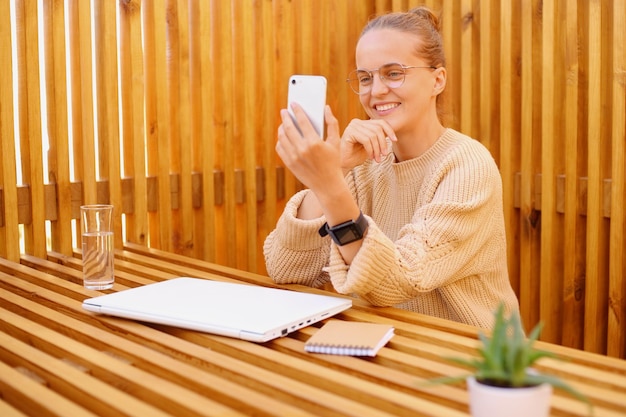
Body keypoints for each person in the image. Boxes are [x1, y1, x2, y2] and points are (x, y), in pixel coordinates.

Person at [263, 6, 519, 328]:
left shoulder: (468, 165)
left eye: (393, 73)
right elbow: (286, 269)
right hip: (382, 345)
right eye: (365, 78)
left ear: (437, 80)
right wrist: (338, 168)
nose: (376, 91)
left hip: (471, 359)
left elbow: (399, 281)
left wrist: (330, 185)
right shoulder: (362, 163)